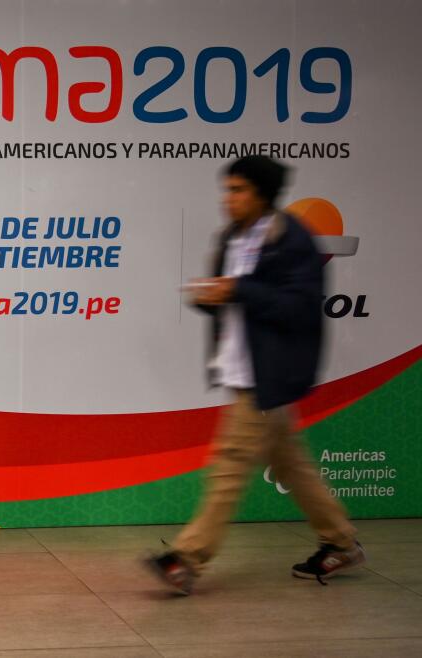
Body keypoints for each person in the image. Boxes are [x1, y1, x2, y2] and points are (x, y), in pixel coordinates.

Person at [144, 155, 364, 594]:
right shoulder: (232, 237)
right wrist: (212, 297)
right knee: (292, 464)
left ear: (261, 193)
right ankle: (340, 542)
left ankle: (187, 559)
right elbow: (237, 298)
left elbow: (299, 307)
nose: (228, 199)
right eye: (227, 190)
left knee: (229, 464)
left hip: (269, 375)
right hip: (243, 368)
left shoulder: (292, 240)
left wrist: (239, 290)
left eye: (238, 190)